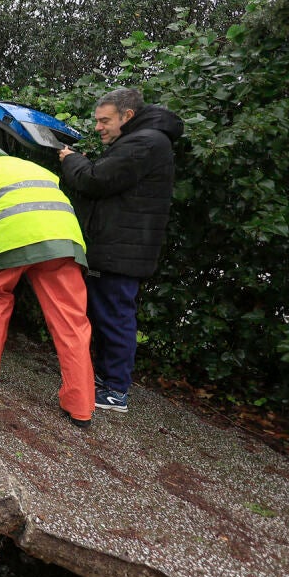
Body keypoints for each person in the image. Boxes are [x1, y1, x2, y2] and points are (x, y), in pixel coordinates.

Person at [0, 139, 94, 427]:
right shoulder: (38, 169)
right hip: (64, 243)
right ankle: (81, 408)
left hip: (11, 241)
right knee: (72, 322)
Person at [59, 88, 183, 413]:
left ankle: (114, 391)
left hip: (121, 251)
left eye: (104, 120)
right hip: (119, 248)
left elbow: (96, 181)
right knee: (108, 316)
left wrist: (72, 161)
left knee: (114, 318)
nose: (98, 127)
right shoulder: (144, 141)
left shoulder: (144, 143)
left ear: (127, 116)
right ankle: (106, 381)